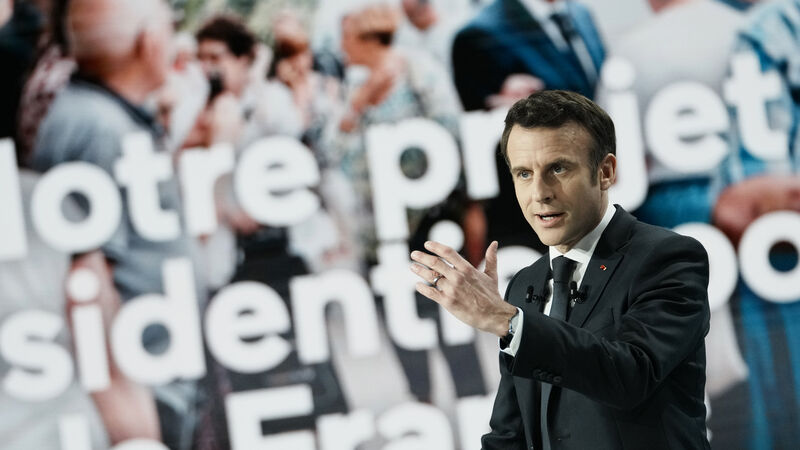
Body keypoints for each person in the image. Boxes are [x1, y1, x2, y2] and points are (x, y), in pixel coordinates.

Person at [410, 90, 711, 449]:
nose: (540, 193)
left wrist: (509, 322)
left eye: (558, 168)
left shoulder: (668, 258)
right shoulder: (525, 284)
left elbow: (630, 375)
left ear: (605, 172)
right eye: (524, 173)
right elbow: (511, 435)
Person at [29, 0, 203, 448]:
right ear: (150, 41)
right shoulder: (99, 129)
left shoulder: (97, 115)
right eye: (170, 24)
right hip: (138, 396)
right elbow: (86, 287)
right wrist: (135, 431)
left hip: (149, 381)